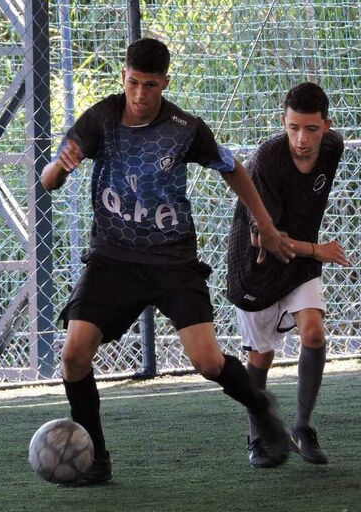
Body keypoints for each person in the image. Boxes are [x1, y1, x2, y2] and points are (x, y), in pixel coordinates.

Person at [40, 38, 295, 484]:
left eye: (151, 85)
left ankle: (260, 407)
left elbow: (233, 169)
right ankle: (96, 457)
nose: (140, 95)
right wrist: (61, 167)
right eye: (133, 82)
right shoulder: (99, 118)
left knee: (209, 363)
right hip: (113, 259)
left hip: (172, 260)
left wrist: (267, 226)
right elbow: (48, 182)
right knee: (74, 355)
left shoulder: (185, 128)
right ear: (123, 76)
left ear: (165, 83)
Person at [226, 82, 350, 468]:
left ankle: (302, 426)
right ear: (284, 123)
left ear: (326, 126)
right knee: (260, 356)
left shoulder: (333, 148)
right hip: (256, 268)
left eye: (311, 129)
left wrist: (310, 252)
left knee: (313, 331)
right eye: (293, 127)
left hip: (298, 262)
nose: (301, 138)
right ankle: (257, 435)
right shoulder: (266, 161)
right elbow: (271, 240)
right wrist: (319, 250)